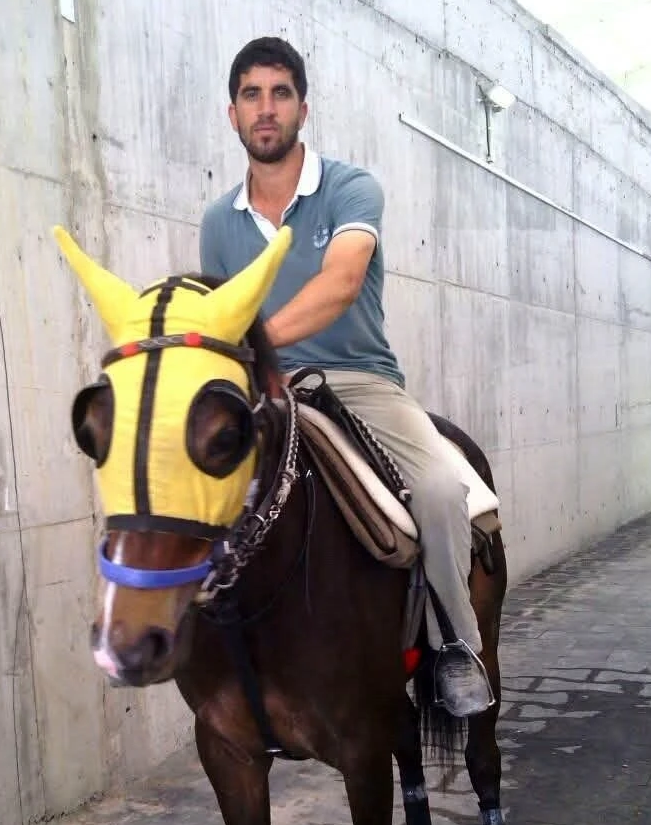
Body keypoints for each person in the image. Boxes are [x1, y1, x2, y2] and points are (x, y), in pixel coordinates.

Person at [199, 36, 492, 717]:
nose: (265, 108)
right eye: (251, 95)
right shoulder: (219, 222)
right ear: (233, 113)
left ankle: (456, 644)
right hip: (267, 393)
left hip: (358, 382)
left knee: (439, 489)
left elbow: (342, 282)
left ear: (302, 108)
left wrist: (257, 343)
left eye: (280, 93)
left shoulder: (350, 188)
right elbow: (220, 321)